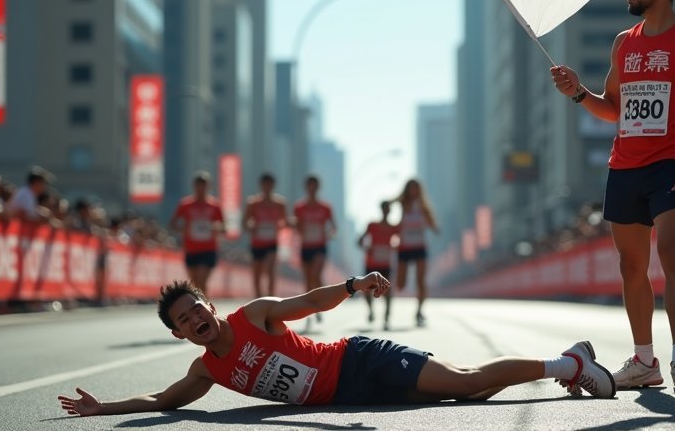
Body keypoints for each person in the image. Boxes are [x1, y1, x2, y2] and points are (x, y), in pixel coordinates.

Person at [57, 275, 615, 417]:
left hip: (358, 359)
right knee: (470, 395)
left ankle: (569, 363)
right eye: (183, 322)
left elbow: (307, 303)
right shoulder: (205, 371)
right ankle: (568, 362)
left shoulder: (252, 316)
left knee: (468, 381)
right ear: (179, 333)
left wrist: (351, 286)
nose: (195, 322)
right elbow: (161, 401)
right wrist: (102, 407)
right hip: (353, 393)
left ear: (207, 305)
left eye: (195, 309)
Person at [550, 0, 675, 394]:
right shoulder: (624, 43)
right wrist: (578, 92)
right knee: (631, 266)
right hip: (624, 166)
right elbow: (614, 110)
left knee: (672, 254)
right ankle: (644, 360)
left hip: (672, 165)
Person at [169, 171, 225, 296]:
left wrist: (216, 227)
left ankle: (204, 310)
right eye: (198, 185)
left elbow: (223, 227)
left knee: (202, 279)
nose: (201, 188)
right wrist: (184, 229)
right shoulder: (185, 204)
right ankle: (200, 306)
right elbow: (172, 224)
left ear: (208, 187)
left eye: (204, 186)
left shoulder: (215, 206)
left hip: (209, 249)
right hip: (191, 249)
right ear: (194, 187)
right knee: (194, 283)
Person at [394, 178, 439, 328]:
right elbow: (391, 202)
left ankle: (419, 311)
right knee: (400, 284)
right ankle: (390, 300)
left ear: (419, 190)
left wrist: (434, 227)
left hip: (420, 247)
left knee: (421, 280)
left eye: (415, 188)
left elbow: (433, 224)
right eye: (410, 188)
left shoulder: (424, 207)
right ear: (407, 190)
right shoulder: (403, 204)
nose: (413, 191)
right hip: (404, 247)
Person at [293, 175, 336, 325]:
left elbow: (333, 228)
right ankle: (310, 311)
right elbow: (296, 225)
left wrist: (329, 234)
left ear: (318, 187)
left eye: (314, 185)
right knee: (307, 280)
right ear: (306, 187)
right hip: (305, 247)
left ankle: (320, 305)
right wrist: (299, 227)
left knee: (315, 275)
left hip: (319, 246)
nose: (312, 188)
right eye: (309, 185)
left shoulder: (325, 207)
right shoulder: (299, 207)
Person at [243, 173, 288, 297]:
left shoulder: (280, 203)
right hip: (257, 243)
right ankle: (258, 298)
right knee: (257, 273)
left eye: (270, 184)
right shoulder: (253, 203)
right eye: (265, 184)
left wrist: (278, 226)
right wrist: (252, 227)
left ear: (273, 185)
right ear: (261, 185)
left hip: (272, 242)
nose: (267, 187)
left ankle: (271, 297)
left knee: (271, 269)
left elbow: (285, 222)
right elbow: (244, 223)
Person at [357, 200, 398, 330]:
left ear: (390, 211)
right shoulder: (372, 225)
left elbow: (400, 240)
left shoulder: (393, 227)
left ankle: (386, 317)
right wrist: (367, 248)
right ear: (381, 209)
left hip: (385, 264)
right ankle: (370, 310)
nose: (386, 211)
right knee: (366, 289)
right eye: (384, 208)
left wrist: (394, 247)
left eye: (388, 208)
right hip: (371, 263)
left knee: (388, 289)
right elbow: (359, 241)